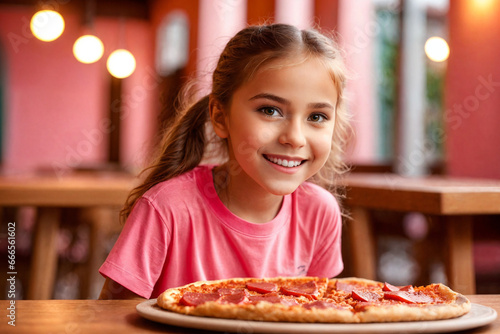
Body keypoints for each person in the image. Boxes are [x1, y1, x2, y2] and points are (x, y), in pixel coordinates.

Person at [99, 23, 352, 300]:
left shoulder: (319, 212)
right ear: (220, 117)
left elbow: (314, 316)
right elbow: (112, 321)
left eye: (316, 116)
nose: (295, 138)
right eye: (270, 110)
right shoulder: (166, 208)